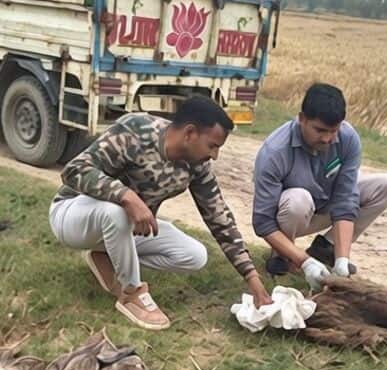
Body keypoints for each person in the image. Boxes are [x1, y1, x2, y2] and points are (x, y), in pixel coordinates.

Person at [50, 96, 272, 331]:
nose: (215, 155)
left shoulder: (197, 164)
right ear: (189, 133)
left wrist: (253, 279)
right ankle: (131, 293)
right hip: (72, 214)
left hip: (122, 229)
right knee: (117, 211)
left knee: (195, 255)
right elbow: (73, 170)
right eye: (212, 146)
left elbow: (219, 218)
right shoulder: (135, 131)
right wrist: (127, 197)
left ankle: (106, 257)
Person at [250, 83, 387, 289]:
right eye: (319, 130)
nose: (327, 138)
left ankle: (327, 249)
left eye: (333, 131)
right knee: (297, 200)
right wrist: (305, 262)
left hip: (326, 206)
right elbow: (263, 222)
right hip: (290, 217)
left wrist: (342, 260)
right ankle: (283, 255)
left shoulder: (348, 139)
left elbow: (346, 200)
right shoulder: (275, 151)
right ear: (302, 119)